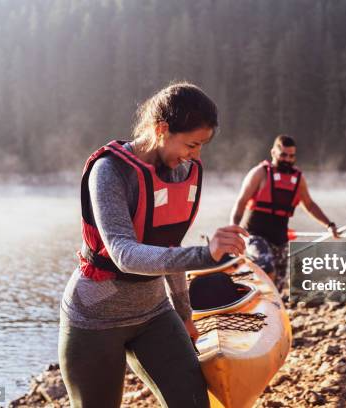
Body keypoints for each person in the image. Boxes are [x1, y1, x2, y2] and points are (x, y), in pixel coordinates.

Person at [59, 82, 248, 408]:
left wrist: (185, 314)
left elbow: (168, 249)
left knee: (192, 404)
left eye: (202, 146)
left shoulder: (180, 170)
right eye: (191, 144)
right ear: (161, 129)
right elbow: (123, 253)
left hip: (154, 313)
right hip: (96, 317)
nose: (195, 155)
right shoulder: (110, 171)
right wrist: (206, 255)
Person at [230, 135, 338, 292]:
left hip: (280, 240)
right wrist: (233, 230)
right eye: (283, 155)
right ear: (273, 152)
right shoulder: (260, 173)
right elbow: (240, 204)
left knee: (277, 289)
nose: (288, 159)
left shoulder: (298, 179)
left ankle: (269, 312)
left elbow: (309, 205)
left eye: (292, 156)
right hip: (254, 235)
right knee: (266, 268)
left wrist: (329, 224)